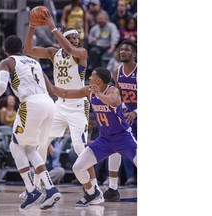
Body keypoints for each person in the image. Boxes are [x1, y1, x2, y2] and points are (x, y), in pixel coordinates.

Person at [24, 11, 104, 204]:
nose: (76, 40)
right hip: (59, 105)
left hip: (78, 106)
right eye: (72, 37)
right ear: (64, 38)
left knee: (79, 147)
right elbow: (28, 50)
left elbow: (69, 48)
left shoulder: (82, 54)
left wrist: (53, 27)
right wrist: (32, 26)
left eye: (77, 37)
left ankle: (94, 189)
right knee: (41, 143)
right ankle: (36, 187)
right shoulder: (54, 53)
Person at [51, 67, 137, 206]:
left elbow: (113, 102)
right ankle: (93, 193)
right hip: (104, 140)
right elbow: (65, 93)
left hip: (123, 137)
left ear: (98, 80)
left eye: (92, 76)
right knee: (77, 167)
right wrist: (46, 83)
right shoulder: (89, 91)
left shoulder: (113, 91)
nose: (89, 78)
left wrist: (99, 94)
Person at [0, 35, 61, 210]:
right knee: (30, 148)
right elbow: (50, 88)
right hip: (49, 104)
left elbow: (1, 87)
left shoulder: (7, 62)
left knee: (15, 146)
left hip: (31, 103)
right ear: (21, 49)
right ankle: (50, 188)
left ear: (5, 50)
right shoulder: (34, 62)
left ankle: (31, 190)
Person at [103, 39, 137, 201]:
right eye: (121, 49)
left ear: (134, 54)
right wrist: (121, 108)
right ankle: (113, 187)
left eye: (127, 50)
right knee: (116, 148)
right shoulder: (117, 71)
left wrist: (136, 112)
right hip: (126, 117)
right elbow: (119, 94)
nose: (123, 52)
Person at [87, 10, 120, 77]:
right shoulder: (94, 28)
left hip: (109, 46)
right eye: (99, 19)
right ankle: (96, 72)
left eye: (101, 19)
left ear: (106, 19)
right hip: (98, 46)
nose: (100, 21)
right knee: (93, 51)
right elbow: (89, 39)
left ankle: (109, 74)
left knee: (112, 54)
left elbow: (115, 36)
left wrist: (112, 46)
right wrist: (92, 40)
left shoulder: (111, 26)